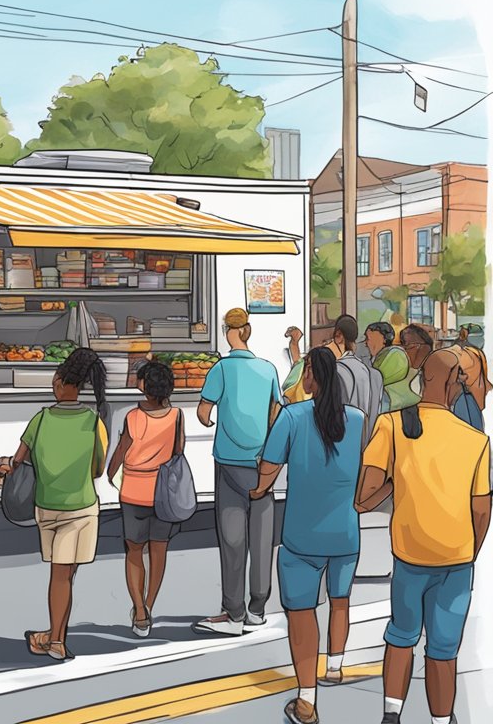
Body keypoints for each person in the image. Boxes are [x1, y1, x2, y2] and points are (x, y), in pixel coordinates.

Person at [356, 349, 490, 724]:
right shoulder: (477, 441)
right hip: (457, 560)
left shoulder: (392, 426)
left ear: (420, 379)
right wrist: (469, 549)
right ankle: (442, 720)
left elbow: (363, 500)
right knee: (444, 650)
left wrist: (397, 478)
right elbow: (481, 510)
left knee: (401, 636)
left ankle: (391, 715)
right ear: (453, 385)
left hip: (410, 556)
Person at [251, 347, 367, 724]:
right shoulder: (358, 419)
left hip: (303, 535)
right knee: (340, 600)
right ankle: (335, 665)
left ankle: (306, 698)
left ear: (312, 377)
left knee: (301, 613)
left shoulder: (292, 417)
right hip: (345, 531)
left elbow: (268, 467)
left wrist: (258, 491)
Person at [0, 347, 109, 661]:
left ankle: (55, 640)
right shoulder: (94, 421)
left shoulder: (41, 419)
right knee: (66, 575)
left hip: (50, 506)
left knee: (60, 576)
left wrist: (5, 465)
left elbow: (18, 460)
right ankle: (53, 636)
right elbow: (98, 469)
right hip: (84, 506)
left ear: (59, 382)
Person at [195, 308, 282, 637]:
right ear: (248, 330)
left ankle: (233, 612)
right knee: (262, 538)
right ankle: (257, 609)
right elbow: (276, 411)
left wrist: (216, 419)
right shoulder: (268, 368)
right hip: (263, 465)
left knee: (233, 538)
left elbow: (204, 413)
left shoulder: (221, 369)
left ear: (227, 331)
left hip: (230, 463)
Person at [106, 359, 182, 638]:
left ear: (146, 387)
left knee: (134, 551)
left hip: (134, 492)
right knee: (158, 551)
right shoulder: (176, 416)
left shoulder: (132, 417)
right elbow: (178, 450)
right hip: (163, 493)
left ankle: (139, 611)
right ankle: (150, 604)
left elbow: (121, 452)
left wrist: (110, 472)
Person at [331, 315, 384, 439]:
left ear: (338, 336)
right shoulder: (373, 373)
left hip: (342, 443)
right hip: (365, 444)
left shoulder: (338, 369)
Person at [367, 322, 418, 413]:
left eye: (369, 339)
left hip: (394, 406)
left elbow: (378, 381)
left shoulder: (396, 354)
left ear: (384, 340)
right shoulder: (378, 357)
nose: (366, 343)